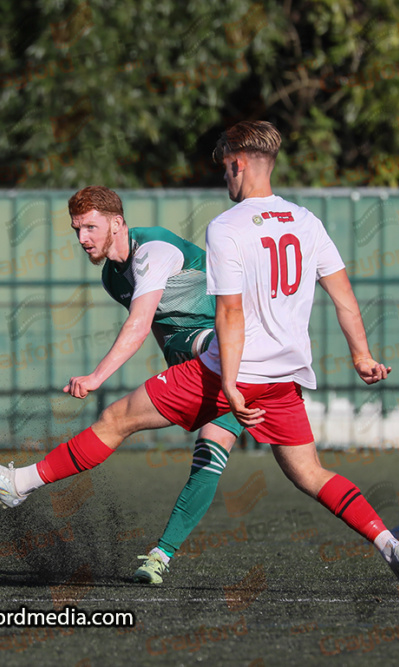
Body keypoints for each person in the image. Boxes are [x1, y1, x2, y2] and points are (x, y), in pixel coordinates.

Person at [0, 120, 399, 594]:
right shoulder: (307, 221)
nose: (222, 176)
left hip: (226, 368)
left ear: (238, 164)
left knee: (115, 419)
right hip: (283, 378)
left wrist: (227, 382)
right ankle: (391, 543)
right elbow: (344, 295)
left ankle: (18, 483)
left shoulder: (225, 227)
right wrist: (362, 356)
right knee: (310, 473)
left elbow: (227, 312)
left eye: (224, 166)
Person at [62, 184, 256, 584]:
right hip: (199, 365)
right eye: (76, 229)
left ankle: (23, 482)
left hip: (236, 353)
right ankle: (160, 556)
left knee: (296, 469)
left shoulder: (154, 248)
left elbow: (140, 323)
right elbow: (159, 329)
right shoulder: (112, 278)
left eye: (91, 228)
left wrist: (97, 376)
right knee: (223, 461)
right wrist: (178, 376)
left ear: (117, 223)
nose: (82, 239)